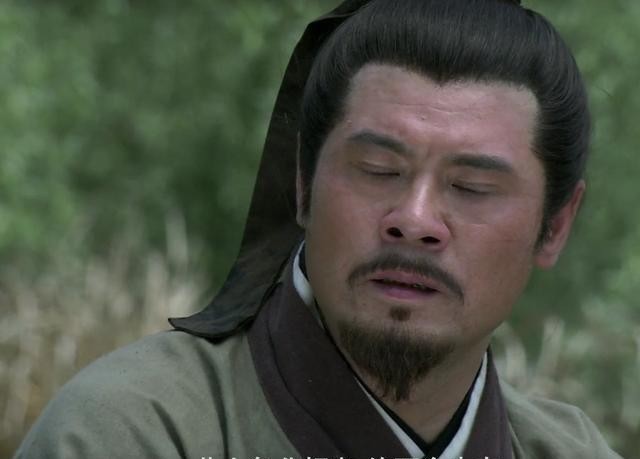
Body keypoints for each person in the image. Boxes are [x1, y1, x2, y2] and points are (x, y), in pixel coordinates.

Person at [15, 0, 624, 458]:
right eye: (378, 170)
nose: (414, 220)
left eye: (471, 187)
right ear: (303, 184)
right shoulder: (134, 432)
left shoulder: (571, 450)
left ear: (555, 225)